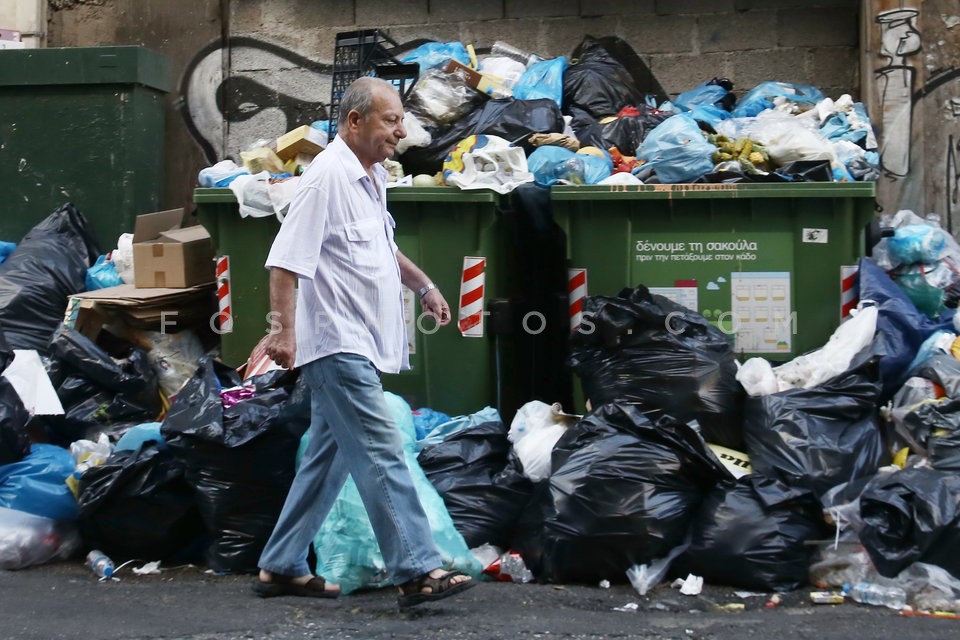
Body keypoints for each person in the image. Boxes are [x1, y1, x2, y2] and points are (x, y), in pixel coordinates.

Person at [253, 76, 474, 608]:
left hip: (361, 340)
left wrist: (425, 286)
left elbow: (382, 246)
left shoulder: (369, 177)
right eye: (391, 120)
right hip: (336, 342)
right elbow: (285, 261)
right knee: (381, 451)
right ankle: (417, 569)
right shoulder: (326, 178)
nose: (402, 131)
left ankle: (281, 565)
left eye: (401, 120)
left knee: (327, 460)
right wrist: (283, 330)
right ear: (355, 122)